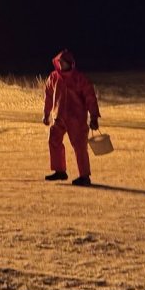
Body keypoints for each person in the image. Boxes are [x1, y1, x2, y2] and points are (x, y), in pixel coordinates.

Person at [43, 48, 101, 186]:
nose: (61, 64)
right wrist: (46, 113)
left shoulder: (79, 78)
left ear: (70, 63)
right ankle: (60, 171)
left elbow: (90, 97)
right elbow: (48, 96)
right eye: (60, 62)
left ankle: (84, 176)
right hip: (59, 116)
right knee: (54, 140)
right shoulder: (53, 77)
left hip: (77, 118)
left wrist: (93, 116)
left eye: (63, 62)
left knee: (80, 146)